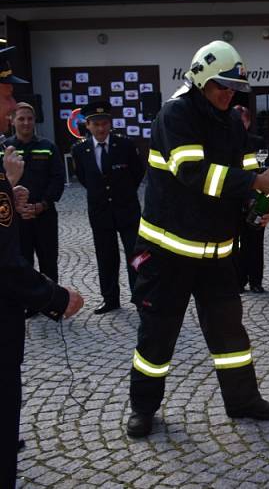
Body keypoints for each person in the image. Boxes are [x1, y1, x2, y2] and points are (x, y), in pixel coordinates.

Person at [126, 40, 269, 438]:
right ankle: (143, 408)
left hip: (216, 255)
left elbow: (245, 169)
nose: (229, 93)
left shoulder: (232, 120)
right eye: (222, 86)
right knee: (157, 339)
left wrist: (258, 205)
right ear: (200, 78)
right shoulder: (175, 115)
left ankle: (242, 401)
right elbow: (193, 173)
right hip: (168, 254)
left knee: (231, 336)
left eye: (234, 88)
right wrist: (252, 181)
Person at [0, 44, 84, 488]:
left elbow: (55, 183)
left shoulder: (43, 149)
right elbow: (6, 265)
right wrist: (57, 298)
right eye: (7, 95)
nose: (15, 106)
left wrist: (17, 200)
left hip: (41, 219)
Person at [71, 101, 145, 314]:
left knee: (135, 256)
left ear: (110, 124)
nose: (101, 128)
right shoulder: (80, 150)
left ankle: (139, 297)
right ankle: (110, 299)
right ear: (87, 125)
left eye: (104, 123)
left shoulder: (125, 146)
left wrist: (124, 193)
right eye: (96, 124)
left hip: (127, 210)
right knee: (106, 257)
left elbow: (137, 173)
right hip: (100, 212)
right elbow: (84, 178)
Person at [7, 102, 65, 293]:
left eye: (30, 119)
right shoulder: (4, 149)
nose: (26, 123)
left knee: (49, 260)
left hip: (44, 215)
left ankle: (52, 303)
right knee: (22, 261)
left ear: (35, 121)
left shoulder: (48, 147)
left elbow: (57, 179)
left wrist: (42, 204)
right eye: (21, 118)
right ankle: (29, 302)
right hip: (16, 218)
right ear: (13, 120)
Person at [233, 104, 267, 293]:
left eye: (242, 122)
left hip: (254, 199)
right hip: (233, 200)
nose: (239, 126)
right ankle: (239, 281)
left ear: (248, 122)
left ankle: (256, 281)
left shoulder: (258, 142)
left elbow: (263, 170)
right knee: (236, 243)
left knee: (255, 242)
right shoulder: (225, 143)